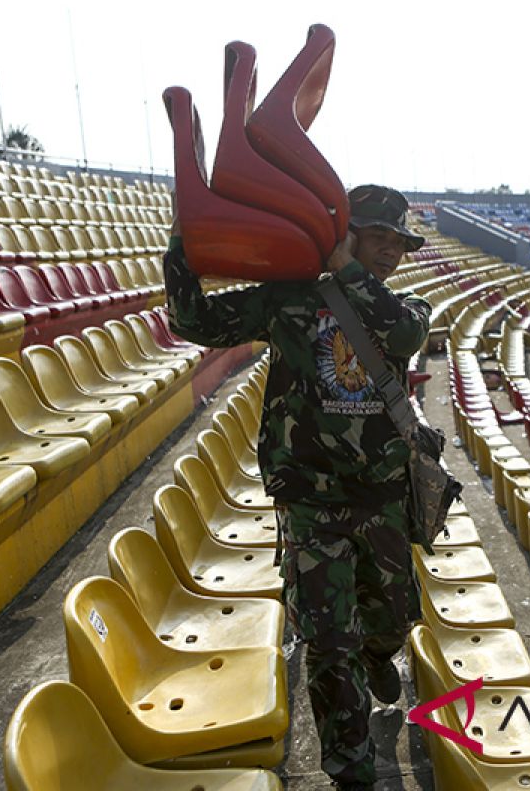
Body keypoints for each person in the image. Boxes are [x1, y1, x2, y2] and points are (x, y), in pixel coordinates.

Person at [163, 185, 430, 790]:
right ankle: (352, 772)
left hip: (382, 496)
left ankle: (379, 657)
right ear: (345, 232)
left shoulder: (406, 306)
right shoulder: (289, 303)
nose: (390, 252)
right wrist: (182, 241)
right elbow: (194, 320)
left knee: (389, 618)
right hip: (312, 499)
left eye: (399, 242)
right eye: (377, 237)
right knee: (329, 643)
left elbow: (403, 337)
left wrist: (348, 270)